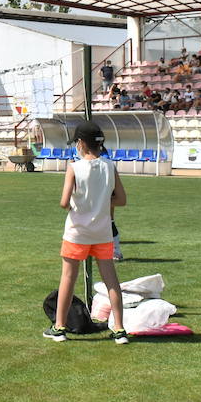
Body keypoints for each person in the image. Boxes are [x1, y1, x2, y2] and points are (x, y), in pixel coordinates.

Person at [43, 120, 129, 345]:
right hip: (102, 232)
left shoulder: (74, 167)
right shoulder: (110, 166)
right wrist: (100, 201)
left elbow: (63, 202)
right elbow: (121, 199)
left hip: (77, 232)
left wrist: (78, 203)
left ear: (80, 143)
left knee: (68, 279)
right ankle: (119, 329)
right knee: (111, 280)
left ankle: (59, 327)